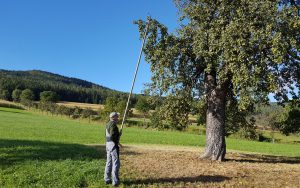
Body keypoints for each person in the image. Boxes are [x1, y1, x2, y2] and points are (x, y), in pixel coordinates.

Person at [104, 112, 122, 186]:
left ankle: (107, 179)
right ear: (113, 117)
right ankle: (115, 181)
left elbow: (107, 136)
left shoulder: (108, 124)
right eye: (117, 116)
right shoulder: (113, 125)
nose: (118, 118)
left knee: (109, 162)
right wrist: (118, 137)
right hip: (113, 145)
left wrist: (118, 136)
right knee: (116, 163)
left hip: (108, 145)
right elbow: (112, 136)